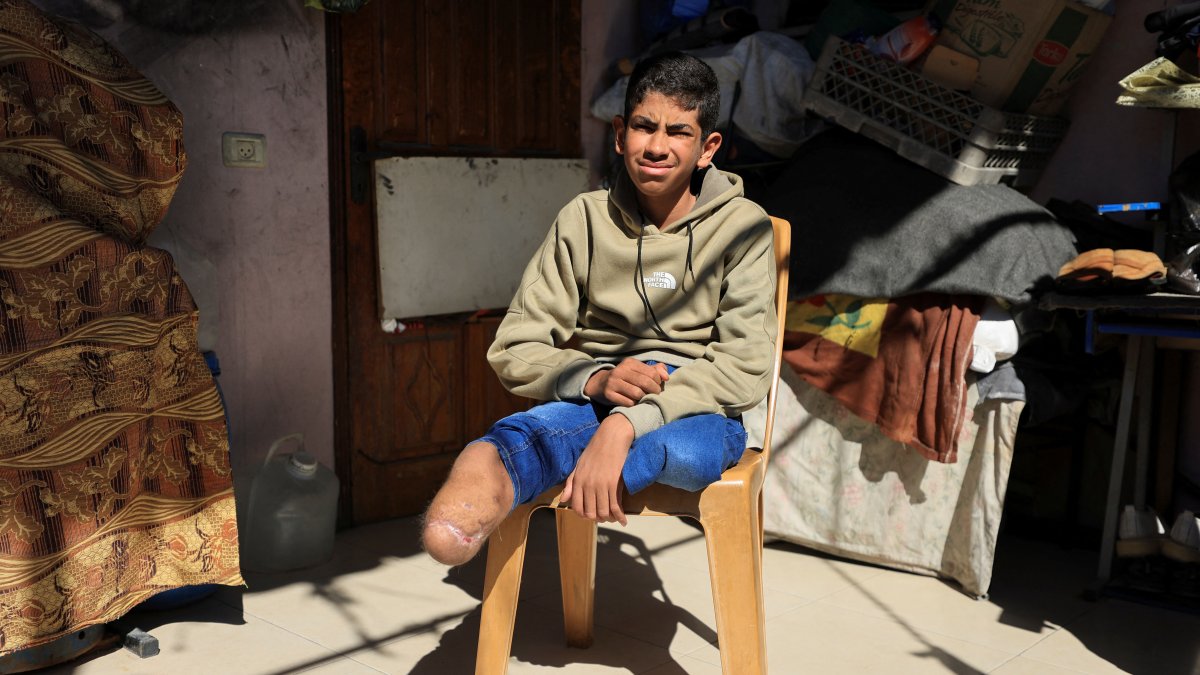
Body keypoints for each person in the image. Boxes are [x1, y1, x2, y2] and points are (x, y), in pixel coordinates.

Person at [421, 52, 777, 566]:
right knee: (531, 434)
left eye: (678, 132)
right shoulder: (582, 219)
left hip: (698, 403)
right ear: (619, 134)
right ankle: (502, 458)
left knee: (692, 452)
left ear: (707, 148)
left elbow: (745, 364)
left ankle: (557, 461)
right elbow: (514, 345)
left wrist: (626, 425)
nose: (656, 146)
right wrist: (594, 378)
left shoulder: (745, 226)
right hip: (598, 395)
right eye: (643, 126)